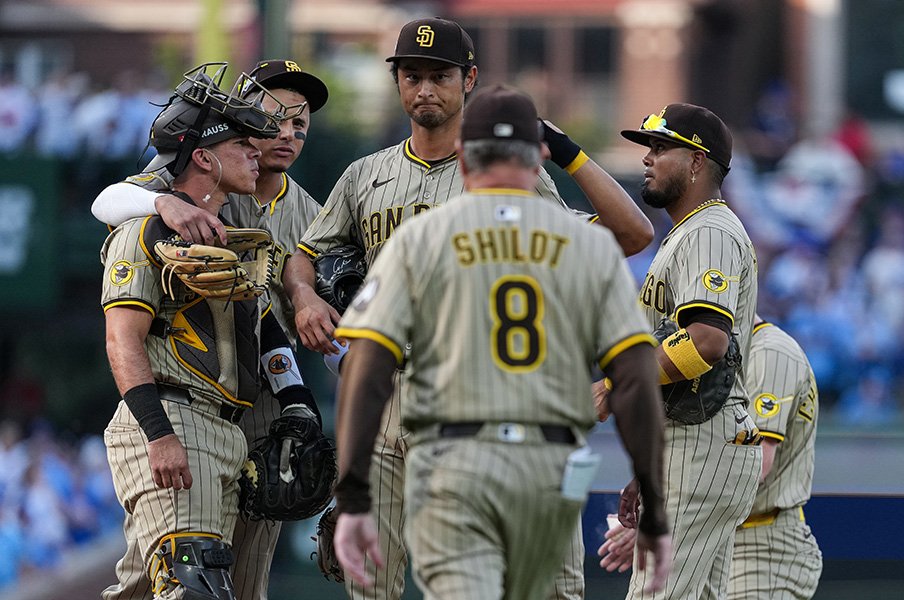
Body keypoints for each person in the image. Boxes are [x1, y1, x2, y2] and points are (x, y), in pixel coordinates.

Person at [282, 17, 654, 600]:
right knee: (376, 581)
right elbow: (305, 257)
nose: (425, 89)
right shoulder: (366, 176)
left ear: (468, 80)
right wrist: (303, 294)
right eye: (412, 76)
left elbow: (632, 234)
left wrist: (566, 150)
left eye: (439, 76)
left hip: (477, 386)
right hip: (407, 388)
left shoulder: (507, 193)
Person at [91, 59, 328, 600]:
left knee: (184, 588)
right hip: (177, 407)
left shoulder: (305, 211)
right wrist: (162, 204)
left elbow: (268, 321)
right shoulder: (162, 211)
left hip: (249, 414)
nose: (276, 137)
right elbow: (108, 204)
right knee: (194, 584)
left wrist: (298, 402)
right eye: (266, 124)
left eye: (299, 124)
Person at [608, 103, 763, 599]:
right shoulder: (690, 231)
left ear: (698, 162)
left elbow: (706, 341)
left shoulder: (710, 230)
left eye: (661, 147)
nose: (647, 158)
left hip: (704, 441)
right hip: (696, 441)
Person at [599, 315, 823, 599]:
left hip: (763, 547)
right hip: (718, 537)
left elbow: (761, 465)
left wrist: (665, 516)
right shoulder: (727, 351)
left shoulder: (771, 352)